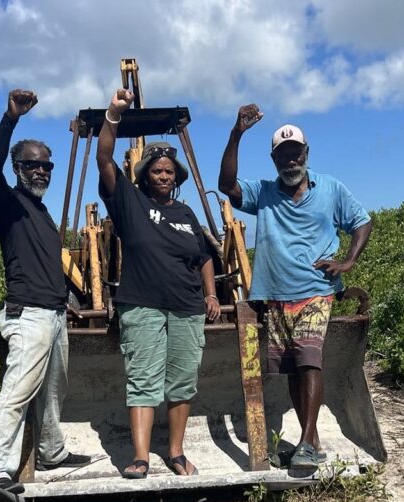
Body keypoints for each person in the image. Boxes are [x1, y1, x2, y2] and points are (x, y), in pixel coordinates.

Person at [218, 105, 373, 470]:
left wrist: (348, 262)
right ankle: (312, 441)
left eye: (296, 153)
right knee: (290, 367)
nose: (291, 161)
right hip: (274, 294)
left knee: (309, 359)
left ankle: (304, 440)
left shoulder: (331, 188)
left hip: (317, 289)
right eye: (283, 155)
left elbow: (361, 222)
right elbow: (227, 186)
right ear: (274, 159)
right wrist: (236, 133)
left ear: (307, 154)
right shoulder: (265, 193)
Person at [96, 88, 221, 479]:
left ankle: (176, 452)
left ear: (176, 176)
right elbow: (103, 158)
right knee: (145, 380)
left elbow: (202, 257)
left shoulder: (186, 213)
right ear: (145, 175)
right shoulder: (131, 203)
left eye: (169, 171)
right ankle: (140, 456)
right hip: (143, 305)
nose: (163, 175)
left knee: (182, 381)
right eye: (156, 170)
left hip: (186, 307)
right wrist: (114, 115)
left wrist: (212, 292)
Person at [0, 88, 91, 496]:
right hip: (29, 313)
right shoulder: (8, 202)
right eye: (32, 165)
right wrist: (11, 119)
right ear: (18, 168)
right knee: (19, 389)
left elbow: (46, 266)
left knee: (55, 389)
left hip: (54, 312)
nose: (41, 172)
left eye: (47, 166)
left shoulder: (40, 214)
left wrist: (67, 303)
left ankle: (51, 451)